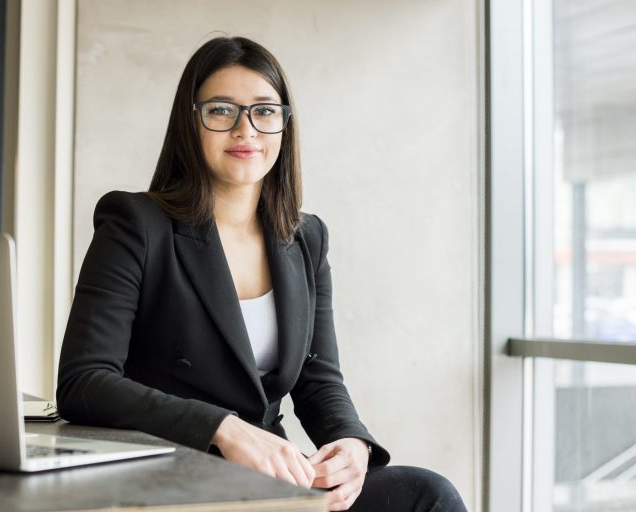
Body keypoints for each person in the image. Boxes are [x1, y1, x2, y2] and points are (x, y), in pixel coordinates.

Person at [57, 36, 467, 511]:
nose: (245, 130)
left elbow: (318, 379)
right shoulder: (135, 224)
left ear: (284, 126)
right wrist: (223, 428)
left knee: (427, 495)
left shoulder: (306, 238)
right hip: (169, 479)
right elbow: (85, 380)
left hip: (271, 479)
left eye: (264, 112)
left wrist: (351, 443)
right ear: (191, 123)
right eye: (221, 110)